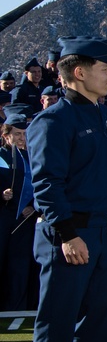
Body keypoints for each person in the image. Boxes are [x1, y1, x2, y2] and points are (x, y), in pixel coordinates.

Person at [26, 36, 107, 342]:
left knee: (99, 316)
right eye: (105, 70)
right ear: (80, 73)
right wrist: (68, 234)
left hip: (101, 230)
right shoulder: (52, 121)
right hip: (68, 232)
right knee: (57, 318)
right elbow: (47, 184)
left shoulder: (102, 117)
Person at [0, 113, 37, 311]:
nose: (22, 138)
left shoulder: (30, 157)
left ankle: (18, 305)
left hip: (24, 221)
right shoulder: (0, 156)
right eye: (17, 134)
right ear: (6, 136)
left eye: (24, 133)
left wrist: (33, 205)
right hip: (4, 217)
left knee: (20, 266)